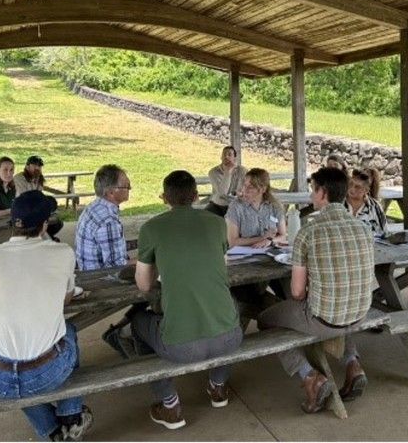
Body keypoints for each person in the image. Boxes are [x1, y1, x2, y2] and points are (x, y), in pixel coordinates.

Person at [126, 170, 242, 430]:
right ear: (196, 195)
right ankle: (218, 387)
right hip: (230, 338)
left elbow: (144, 285)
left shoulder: (152, 228)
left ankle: (170, 404)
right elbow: (220, 267)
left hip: (182, 348)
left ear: (164, 197)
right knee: (233, 308)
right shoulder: (216, 223)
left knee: (137, 322)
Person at [0, 190, 93, 442]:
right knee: (68, 331)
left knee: (8, 364)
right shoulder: (61, 253)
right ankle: (70, 415)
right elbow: (66, 298)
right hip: (47, 373)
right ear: (44, 224)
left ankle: (51, 431)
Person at [257, 167, 375, 413]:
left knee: (265, 321)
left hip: (324, 319)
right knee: (341, 303)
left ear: (322, 193)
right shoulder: (363, 228)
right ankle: (353, 365)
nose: (311, 195)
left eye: (313, 190)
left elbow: (298, 293)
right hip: (361, 314)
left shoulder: (309, 233)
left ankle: (309, 376)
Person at [75, 164, 131, 270]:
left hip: (87, 272)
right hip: (98, 279)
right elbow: (117, 266)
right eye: (126, 186)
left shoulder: (95, 207)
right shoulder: (108, 221)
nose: (129, 189)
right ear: (110, 192)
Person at [226, 168, 287, 248]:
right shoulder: (236, 206)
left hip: (270, 253)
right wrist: (262, 238)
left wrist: (270, 241)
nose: (244, 190)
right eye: (244, 185)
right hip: (244, 256)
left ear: (262, 189)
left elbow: (283, 236)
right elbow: (233, 242)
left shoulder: (274, 205)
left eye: (250, 187)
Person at [14, 155, 64, 240]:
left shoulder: (38, 178)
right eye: (34, 165)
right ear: (27, 166)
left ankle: (46, 236)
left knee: (57, 222)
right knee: (40, 221)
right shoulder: (19, 178)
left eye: (39, 166)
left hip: (34, 206)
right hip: (23, 209)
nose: (37, 168)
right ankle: (46, 238)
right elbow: (25, 198)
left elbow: (38, 196)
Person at [345, 167, 387, 239]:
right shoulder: (339, 205)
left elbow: (384, 233)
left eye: (357, 187)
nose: (352, 189)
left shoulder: (375, 208)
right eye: (351, 184)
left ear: (366, 190)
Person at [206, 146, 247, 217]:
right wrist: (228, 172)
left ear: (234, 158)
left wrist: (240, 194)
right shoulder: (213, 172)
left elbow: (247, 189)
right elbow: (222, 193)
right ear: (221, 157)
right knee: (207, 214)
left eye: (229, 154)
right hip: (218, 204)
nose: (226, 157)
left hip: (237, 202)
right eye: (224, 154)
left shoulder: (243, 171)